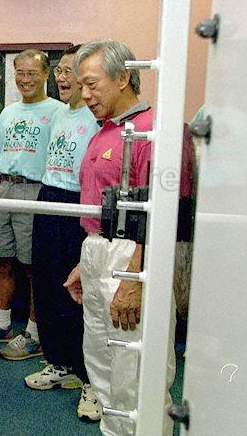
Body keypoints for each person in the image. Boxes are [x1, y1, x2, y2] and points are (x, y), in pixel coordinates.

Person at [63, 39, 175, 436]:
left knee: (134, 370)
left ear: (124, 77)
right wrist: (85, 261)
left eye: (92, 84)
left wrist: (135, 277)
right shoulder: (105, 132)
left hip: (133, 257)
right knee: (101, 364)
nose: (85, 94)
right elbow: (101, 210)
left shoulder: (151, 131)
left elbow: (164, 216)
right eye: (81, 85)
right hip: (98, 251)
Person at [21, 45, 101, 421]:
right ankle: (58, 363)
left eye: (72, 72)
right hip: (47, 196)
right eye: (61, 71)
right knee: (47, 282)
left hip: (77, 203)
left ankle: (90, 379)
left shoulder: (95, 115)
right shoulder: (58, 114)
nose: (63, 78)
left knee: (77, 291)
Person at [0, 49, 62, 362]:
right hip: (6, 189)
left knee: (34, 267)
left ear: (46, 74)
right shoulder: (7, 113)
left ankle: (34, 334)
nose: (25, 79)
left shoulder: (58, 112)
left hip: (37, 192)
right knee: (0, 260)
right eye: (20, 73)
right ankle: (2, 324)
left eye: (32, 73)